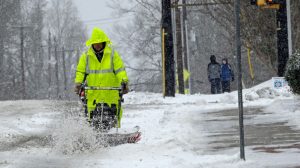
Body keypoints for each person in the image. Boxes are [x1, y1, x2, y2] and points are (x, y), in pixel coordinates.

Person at [74, 27, 129, 128]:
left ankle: (114, 131)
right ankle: (92, 134)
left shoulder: (112, 54)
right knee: (91, 116)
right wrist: (78, 83)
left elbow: (120, 70)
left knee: (113, 115)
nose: (97, 45)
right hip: (93, 94)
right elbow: (81, 71)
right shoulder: (86, 56)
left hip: (110, 94)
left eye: (99, 43)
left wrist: (124, 81)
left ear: (104, 42)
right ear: (92, 43)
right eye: (95, 43)